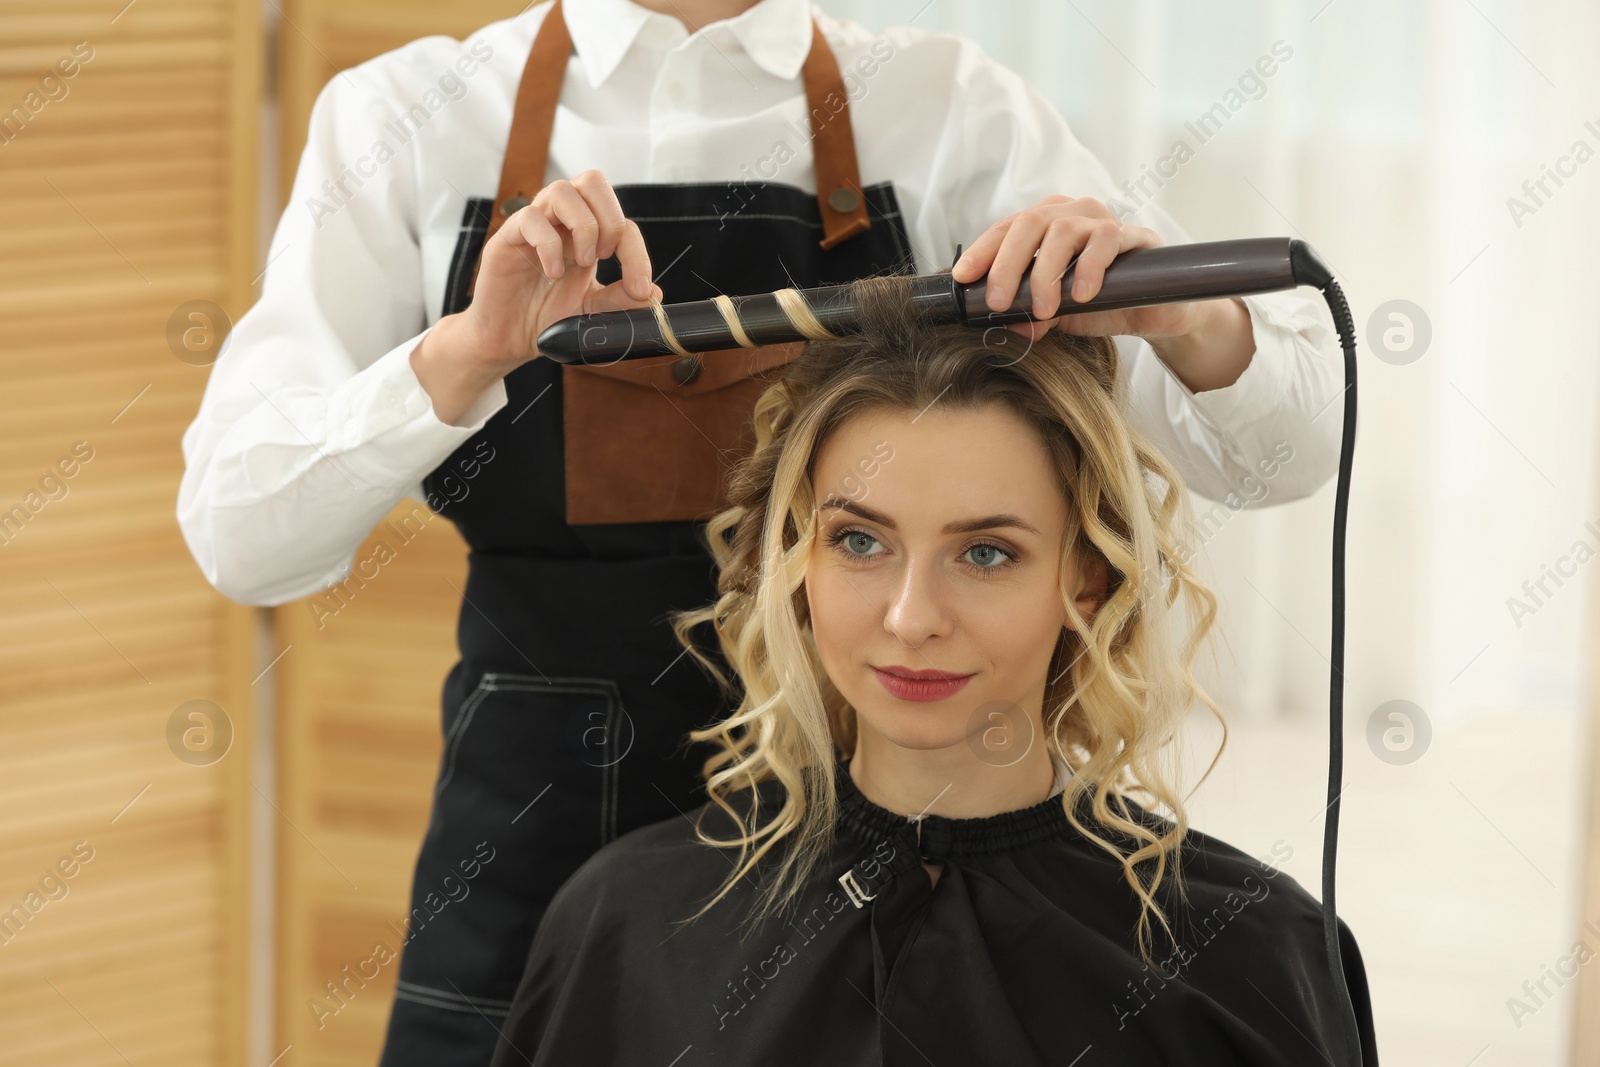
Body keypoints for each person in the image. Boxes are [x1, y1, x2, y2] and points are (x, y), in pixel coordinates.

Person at [175, 0, 1347, 1061]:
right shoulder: (411, 117)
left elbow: (1283, 451)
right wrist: (464, 352)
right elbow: (244, 535)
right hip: (530, 838)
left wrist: (1189, 317)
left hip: (872, 828)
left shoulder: (940, 108)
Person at [487, 274, 1378, 1066]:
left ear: (1087, 579)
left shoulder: (1256, 957)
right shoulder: (630, 926)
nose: (911, 618)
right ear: (798, 563)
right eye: (861, 541)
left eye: (986, 553)